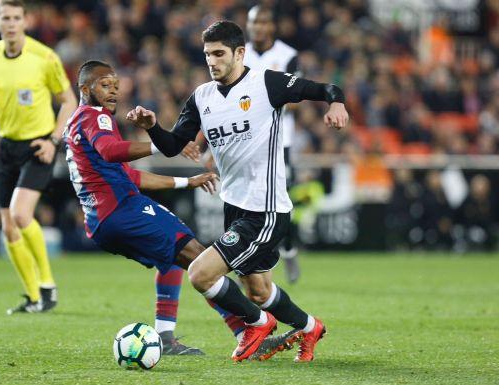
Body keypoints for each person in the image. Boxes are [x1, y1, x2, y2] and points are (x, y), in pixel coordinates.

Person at [127, 21, 349, 362]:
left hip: (267, 209)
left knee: (200, 274)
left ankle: (257, 325)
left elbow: (327, 88)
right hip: (235, 206)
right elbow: (173, 146)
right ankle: (310, 328)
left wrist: (336, 104)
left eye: (219, 54)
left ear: (239, 53)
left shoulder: (266, 83)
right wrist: (152, 127)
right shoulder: (202, 97)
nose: (212, 61)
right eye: (207, 55)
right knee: (258, 290)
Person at [64, 60, 246, 355]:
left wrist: (187, 182)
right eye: (104, 85)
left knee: (171, 260)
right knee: (200, 259)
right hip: (122, 210)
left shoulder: (76, 122)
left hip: (102, 222)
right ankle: (246, 330)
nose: (113, 91)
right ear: (85, 89)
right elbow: (110, 152)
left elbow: (131, 176)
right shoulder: (94, 116)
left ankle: (165, 338)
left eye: (116, 85)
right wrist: (166, 143)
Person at [0, 0, 77, 314]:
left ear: (26, 21)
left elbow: (68, 102)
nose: (12, 23)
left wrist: (54, 140)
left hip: (38, 146)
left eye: (17, 17)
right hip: (7, 146)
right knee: (8, 226)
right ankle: (33, 298)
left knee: (19, 214)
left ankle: (48, 285)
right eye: (6, 18)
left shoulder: (44, 57)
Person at [244, 5, 301, 283]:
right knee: (247, 198)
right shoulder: (238, 52)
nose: (258, 27)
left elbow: (291, 95)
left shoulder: (287, 55)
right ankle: (253, 259)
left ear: (272, 27)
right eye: (254, 22)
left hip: (280, 139)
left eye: (264, 22)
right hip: (245, 137)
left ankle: (288, 251)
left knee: (281, 198)